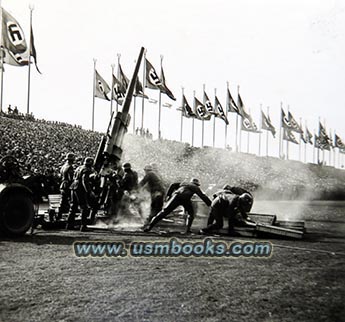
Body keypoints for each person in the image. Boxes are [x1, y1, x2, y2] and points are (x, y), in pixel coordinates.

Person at [143, 178, 211, 234]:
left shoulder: (183, 183)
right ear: (197, 184)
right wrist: (210, 203)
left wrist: (169, 195)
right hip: (185, 198)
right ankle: (187, 230)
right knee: (191, 214)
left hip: (176, 197)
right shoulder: (195, 187)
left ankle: (149, 227)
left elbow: (172, 185)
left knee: (164, 212)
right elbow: (202, 196)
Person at [66, 157, 95, 231]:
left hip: (73, 186)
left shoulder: (79, 167)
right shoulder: (86, 169)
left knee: (73, 206)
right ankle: (83, 226)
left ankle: (69, 224)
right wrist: (89, 191)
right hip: (80, 188)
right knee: (84, 207)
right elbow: (84, 181)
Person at [57, 152, 75, 220]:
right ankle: (70, 218)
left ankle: (59, 215)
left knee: (63, 201)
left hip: (62, 185)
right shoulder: (70, 167)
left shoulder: (63, 166)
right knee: (72, 202)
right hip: (68, 186)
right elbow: (71, 178)